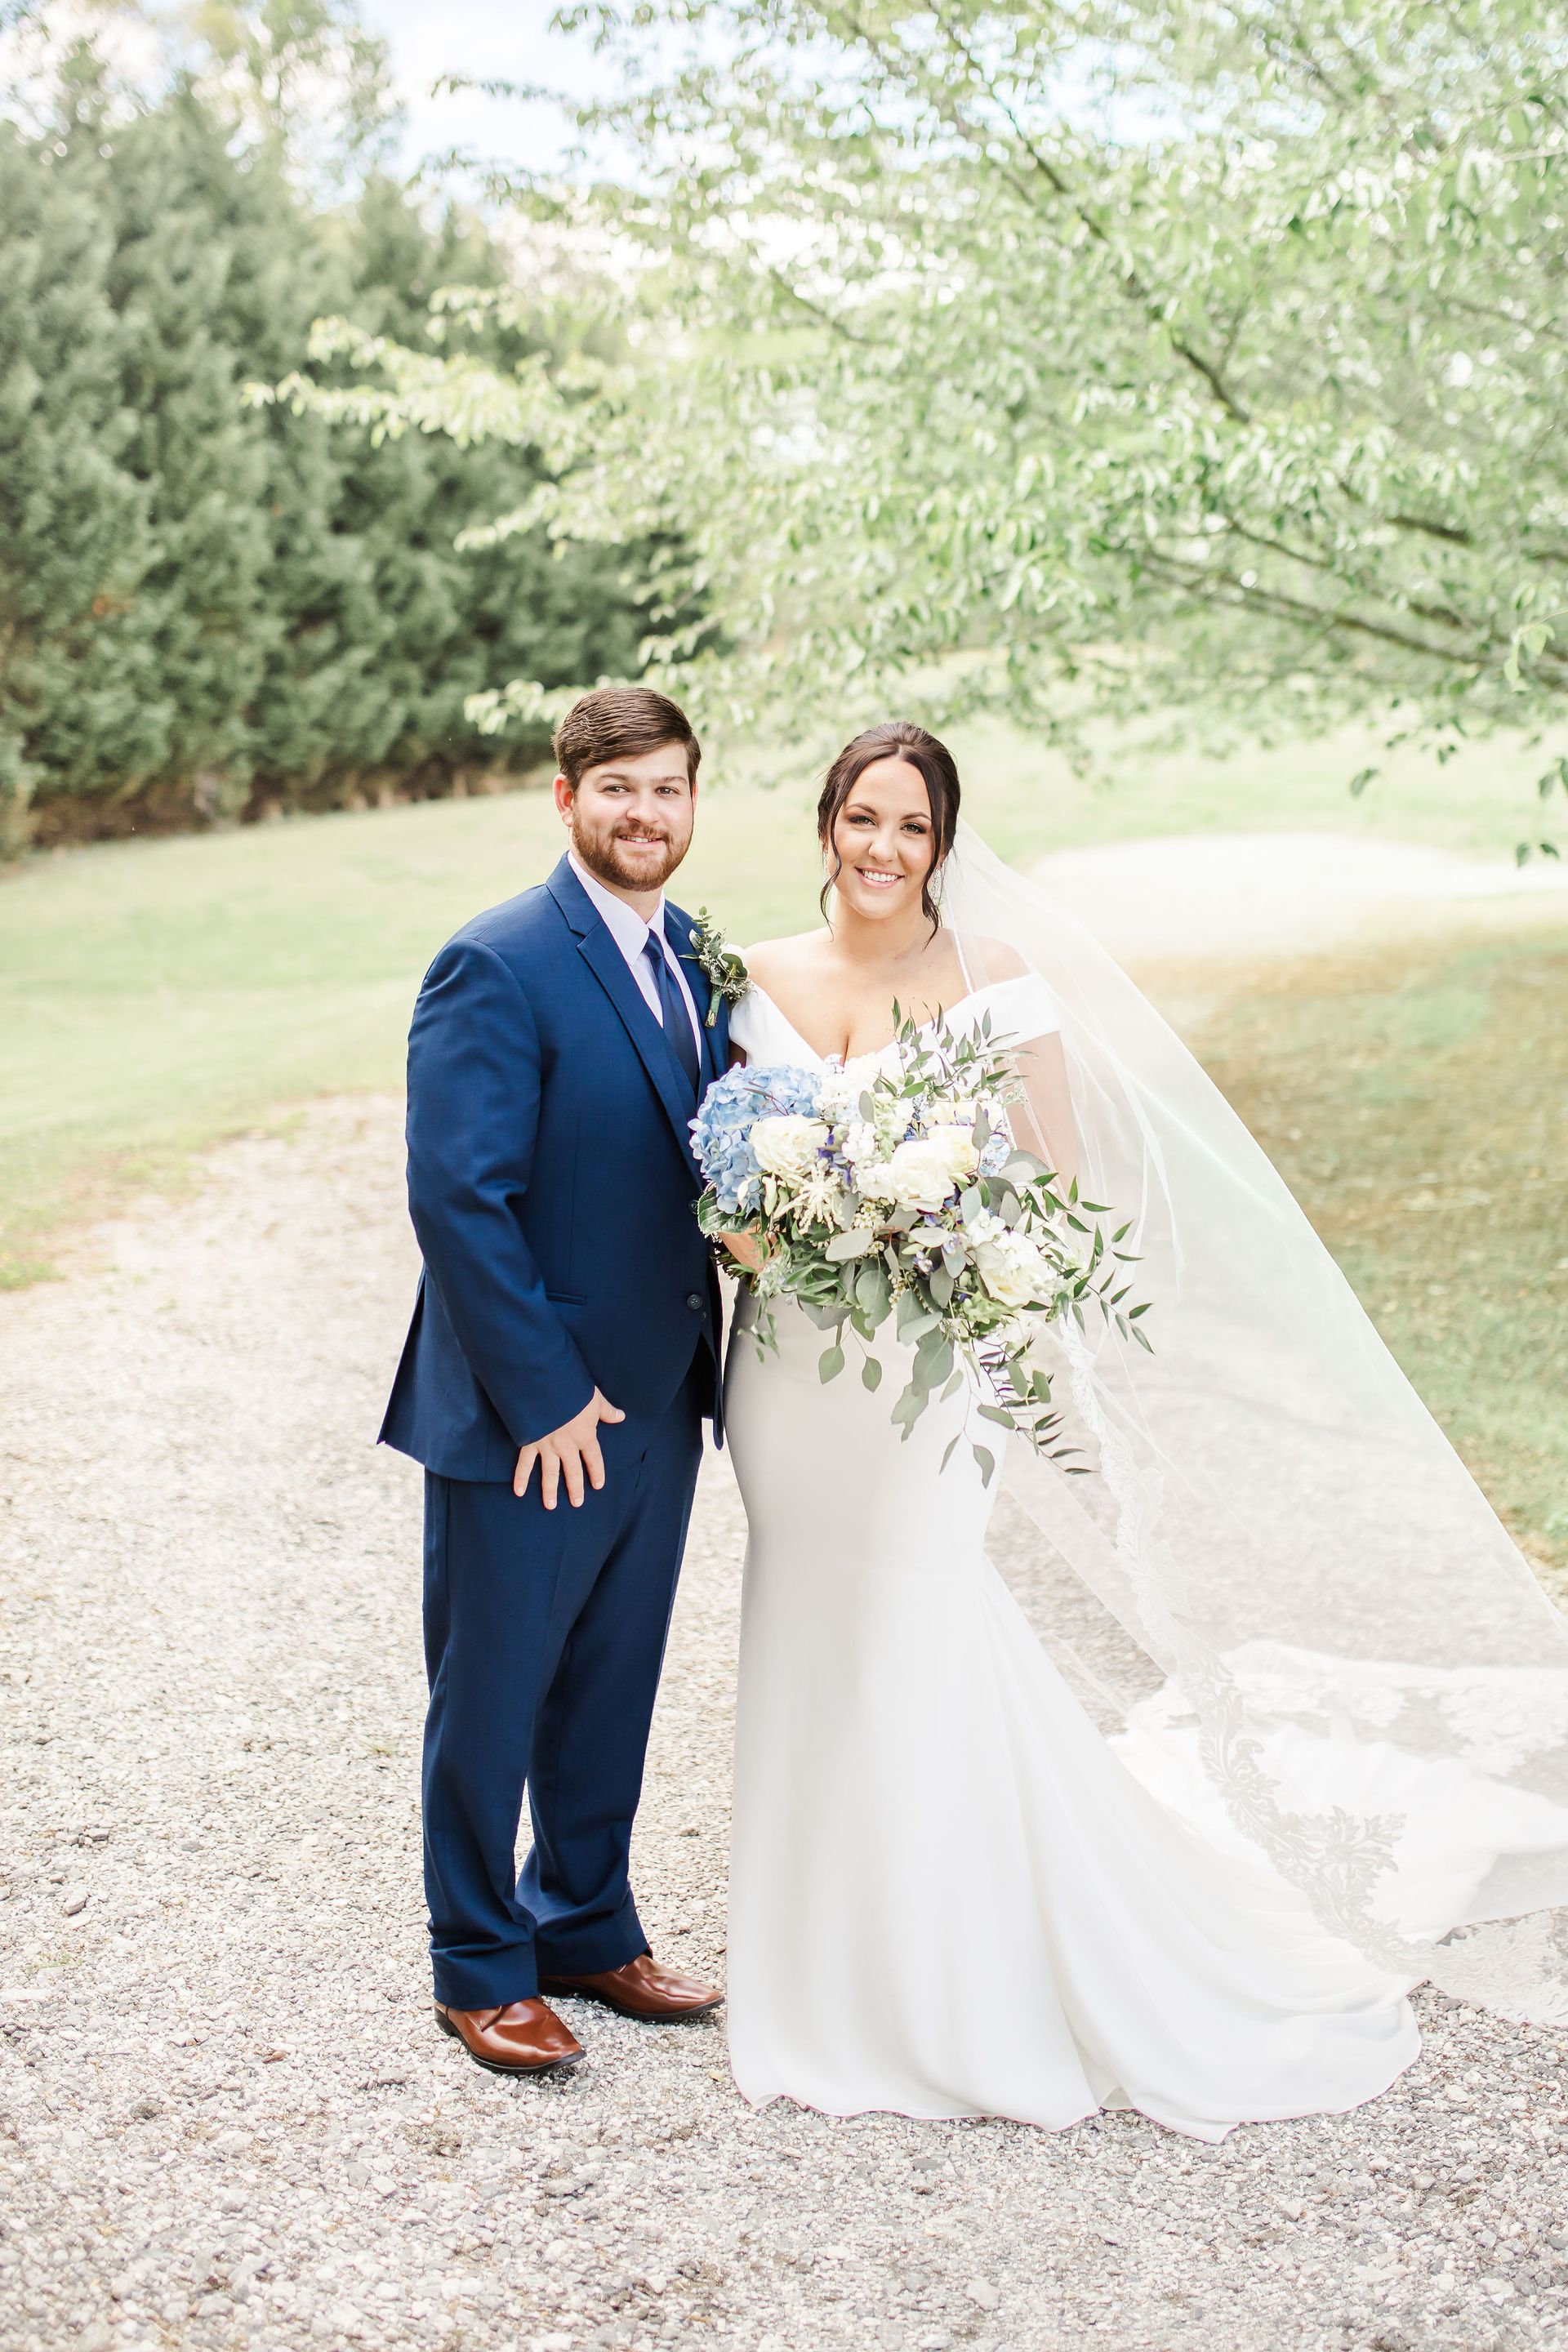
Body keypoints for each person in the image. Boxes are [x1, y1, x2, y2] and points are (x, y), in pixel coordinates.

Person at [718, 719, 1568, 2138]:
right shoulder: (756, 979)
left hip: (929, 1380)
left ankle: (950, 1970)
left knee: (917, 1625)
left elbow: (1053, 1196)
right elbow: (724, 1186)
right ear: (824, 827)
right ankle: (815, 1957)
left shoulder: (996, 984)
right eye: (862, 819)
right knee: (805, 1631)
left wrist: (926, 1220)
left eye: (912, 827)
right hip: (790, 1383)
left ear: (943, 846)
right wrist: (771, 1224)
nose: (883, 849)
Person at [381, 685, 728, 2078]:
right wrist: (546, 1397)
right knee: (496, 1682)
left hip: (660, 1400)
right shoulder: (497, 960)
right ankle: (477, 1958)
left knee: (612, 1680)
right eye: (620, 788)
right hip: (536, 1414)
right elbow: (459, 1197)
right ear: (567, 797)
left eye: (671, 789)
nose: (647, 814)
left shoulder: (695, 956)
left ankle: (584, 1920)